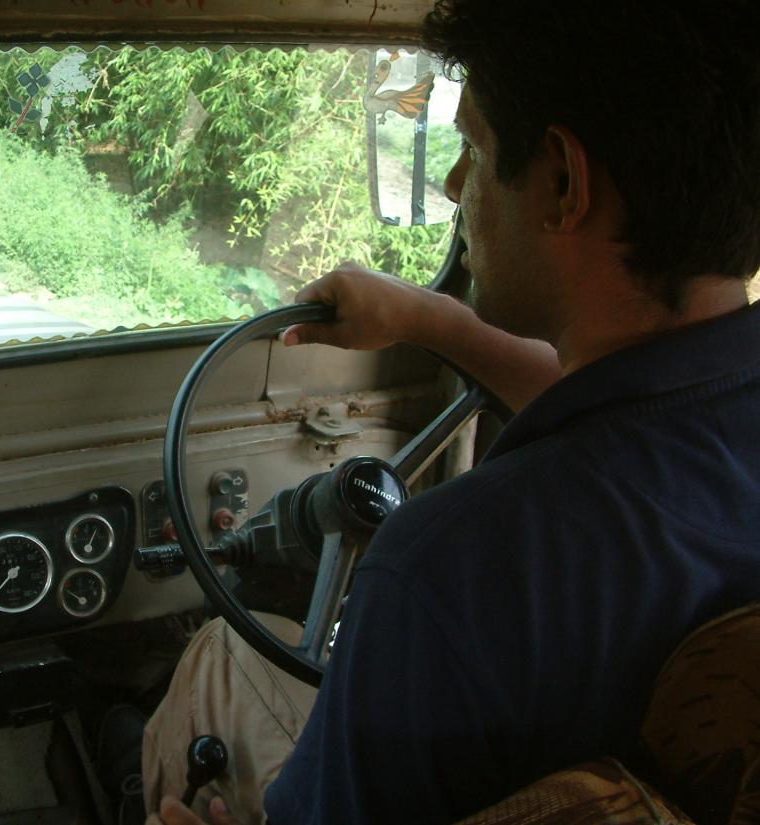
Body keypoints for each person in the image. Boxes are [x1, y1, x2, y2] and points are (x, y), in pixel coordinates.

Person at [141, 0, 760, 822]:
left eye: (473, 147)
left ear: (564, 183)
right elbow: (638, 423)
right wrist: (430, 318)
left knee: (220, 655)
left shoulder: (450, 567)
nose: (454, 183)